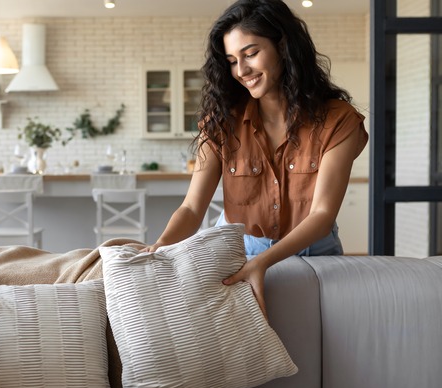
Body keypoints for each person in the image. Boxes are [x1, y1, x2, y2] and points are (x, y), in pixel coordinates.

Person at [143, 0, 368, 318]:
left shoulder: (338, 119)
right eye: (233, 60)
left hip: (317, 254)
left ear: (284, 47)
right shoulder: (221, 122)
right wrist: (160, 246)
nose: (241, 71)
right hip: (241, 252)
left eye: (250, 53)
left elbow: (321, 214)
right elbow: (193, 208)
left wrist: (262, 263)